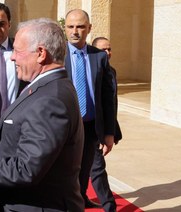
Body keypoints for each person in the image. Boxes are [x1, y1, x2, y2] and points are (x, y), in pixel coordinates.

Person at [0, 18, 85, 211]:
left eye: (18, 51)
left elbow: (26, 169)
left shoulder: (49, 99)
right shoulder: (47, 87)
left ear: (41, 54)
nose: (12, 57)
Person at [64, 9, 116, 209]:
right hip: (65, 126)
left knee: (86, 169)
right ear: (65, 28)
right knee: (65, 171)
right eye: (70, 26)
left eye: (80, 26)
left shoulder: (99, 57)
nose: (75, 31)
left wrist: (109, 132)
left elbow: (107, 98)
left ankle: (82, 199)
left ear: (89, 29)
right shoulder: (56, 55)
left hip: (91, 126)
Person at [91, 36, 122, 212]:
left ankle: (82, 197)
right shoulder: (90, 70)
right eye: (103, 50)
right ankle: (110, 207)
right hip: (89, 127)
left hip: (103, 127)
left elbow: (112, 103)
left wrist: (111, 131)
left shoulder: (113, 71)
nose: (107, 53)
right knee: (97, 168)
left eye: (109, 49)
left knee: (91, 167)